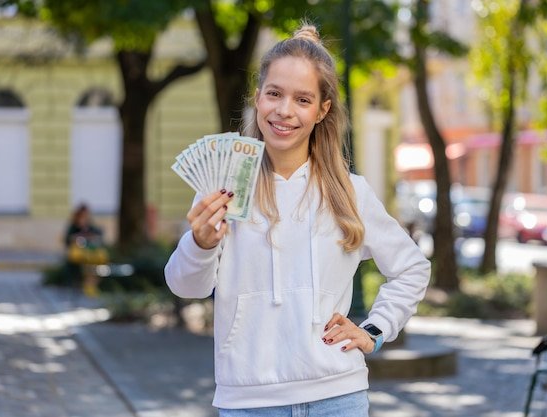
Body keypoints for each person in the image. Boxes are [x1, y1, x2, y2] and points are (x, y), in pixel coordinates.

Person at [165, 24, 430, 416]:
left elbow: (412, 268)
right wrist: (200, 243)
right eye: (274, 93)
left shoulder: (350, 192)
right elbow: (187, 286)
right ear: (258, 98)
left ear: (322, 110)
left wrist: (374, 330)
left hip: (339, 398)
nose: (284, 111)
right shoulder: (223, 186)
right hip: (250, 403)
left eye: (302, 99)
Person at [64, 203, 107, 297]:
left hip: (91, 254)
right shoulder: (73, 227)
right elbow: (67, 240)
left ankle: (90, 286)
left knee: (95, 265)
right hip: (78, 255)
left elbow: (99, 235)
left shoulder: (91, 226)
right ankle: (88, 287)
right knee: (87, 266)